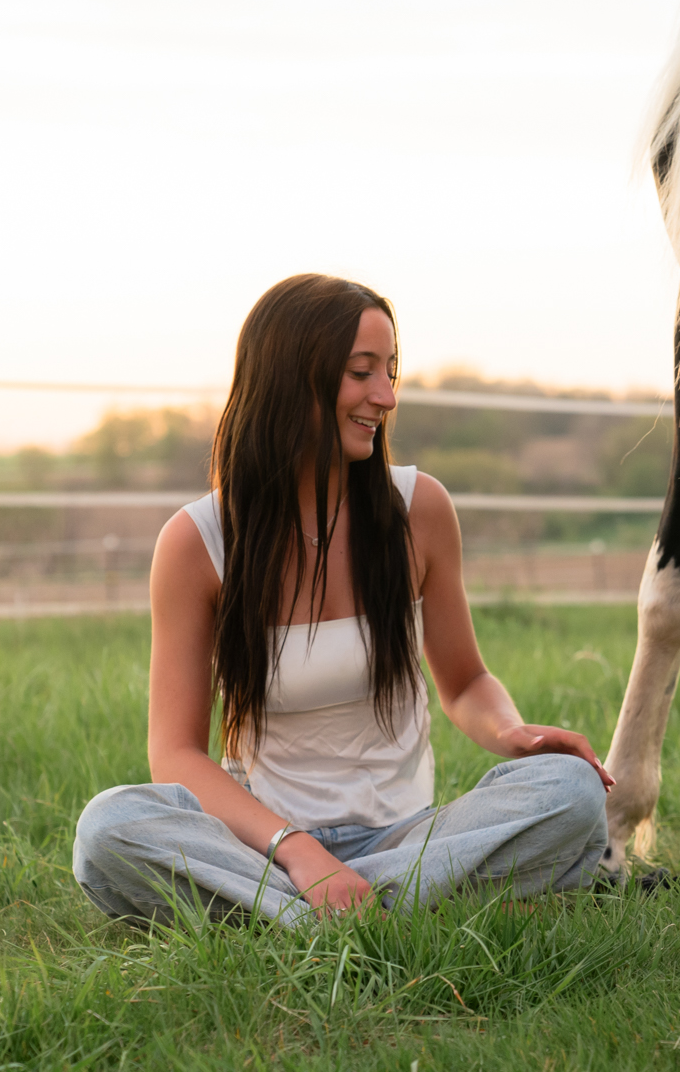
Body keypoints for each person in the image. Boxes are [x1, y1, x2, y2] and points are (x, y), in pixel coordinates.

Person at [73, 274, 612, 927]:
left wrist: (513, 731)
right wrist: (298, 851)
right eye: (362, 373)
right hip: (263, 842)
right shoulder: (197, 542)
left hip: (405, 836)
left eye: (390, 371)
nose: (385, 396)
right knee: (108, 828)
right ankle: (355, 904)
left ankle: (303, 916)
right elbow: (177, 755)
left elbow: (465, 679)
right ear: (292, 376)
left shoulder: (420, 510)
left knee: (572, 792)